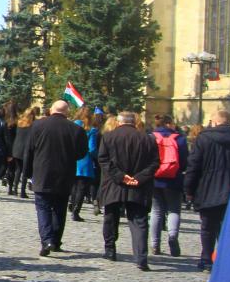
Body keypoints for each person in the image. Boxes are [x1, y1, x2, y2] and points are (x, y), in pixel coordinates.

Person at [24, 100, 88, 257]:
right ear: (67, 112)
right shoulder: (76, 129)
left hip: (42, 172)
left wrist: (27, 173)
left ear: (52, 110)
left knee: (43, 208)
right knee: (60, 209)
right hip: (64, 173)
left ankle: (46, 240)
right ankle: (56, 241)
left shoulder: (38, 125)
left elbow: (29, 150)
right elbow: (82, 153)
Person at [97, 112, 160, 270]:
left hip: (114, 184)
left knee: (111, 216)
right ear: (135, 122)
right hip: (139, 185)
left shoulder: (109, 137)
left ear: (118, 122)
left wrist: (121, 177)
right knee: (139, 220)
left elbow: (103, 160)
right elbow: (155, 163)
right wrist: (139, 177)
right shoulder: (148, 139)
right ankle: (141, 258)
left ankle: (110, 250)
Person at [185, 109, 230, 273]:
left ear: (214, 122)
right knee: (229, 227)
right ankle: (226, 260)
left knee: (207, 227)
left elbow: (194, 165)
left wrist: (189, 189)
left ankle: (207, 260)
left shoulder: (204, 138)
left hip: (208, 188)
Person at [150, 114, 188, 256]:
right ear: (168, 124)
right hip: (174, 179)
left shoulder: (151, 137)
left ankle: (155, 245)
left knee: (156, 212)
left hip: (154, 179)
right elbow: (184, 162)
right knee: (174, 210)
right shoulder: (180, 139)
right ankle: (172, 236)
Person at [69, 111, 99, 221]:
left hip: (72, 159)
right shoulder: (91, 130)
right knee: (82, 187)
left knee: (74, 185)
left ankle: (72, 204)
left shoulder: (71, 126)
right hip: (85, 160)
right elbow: (92, 149)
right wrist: (96, 157)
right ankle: (76, 211)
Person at [9, 108, 36, 198]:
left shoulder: (19, 123)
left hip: (16, 148)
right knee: (25, 171)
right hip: (25, 150)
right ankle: (22, 191)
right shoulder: (32, 125)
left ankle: (15, 189)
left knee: (18, 170)